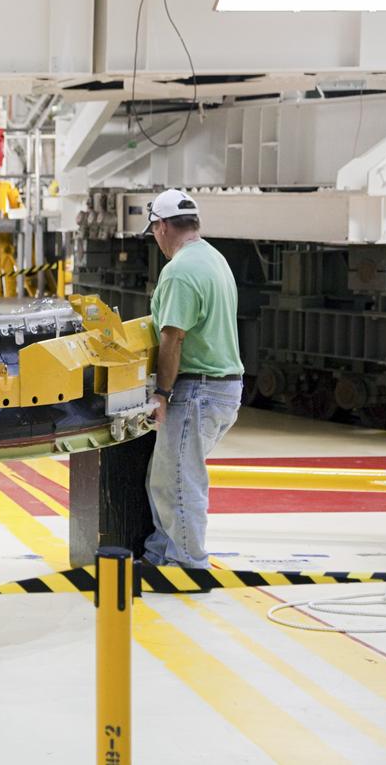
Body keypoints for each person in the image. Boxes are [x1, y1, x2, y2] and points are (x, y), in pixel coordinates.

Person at [142, 188, 244, 570]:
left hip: (196, 390)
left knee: (180, 483)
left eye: (154, 229)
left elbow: (173, 336)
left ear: (163, 226)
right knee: (168, 476)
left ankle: (186, 566)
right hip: (224, 388)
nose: (156, 238)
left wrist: (161, 393)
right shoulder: (214, 259)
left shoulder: (180, 271)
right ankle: (160, 553)